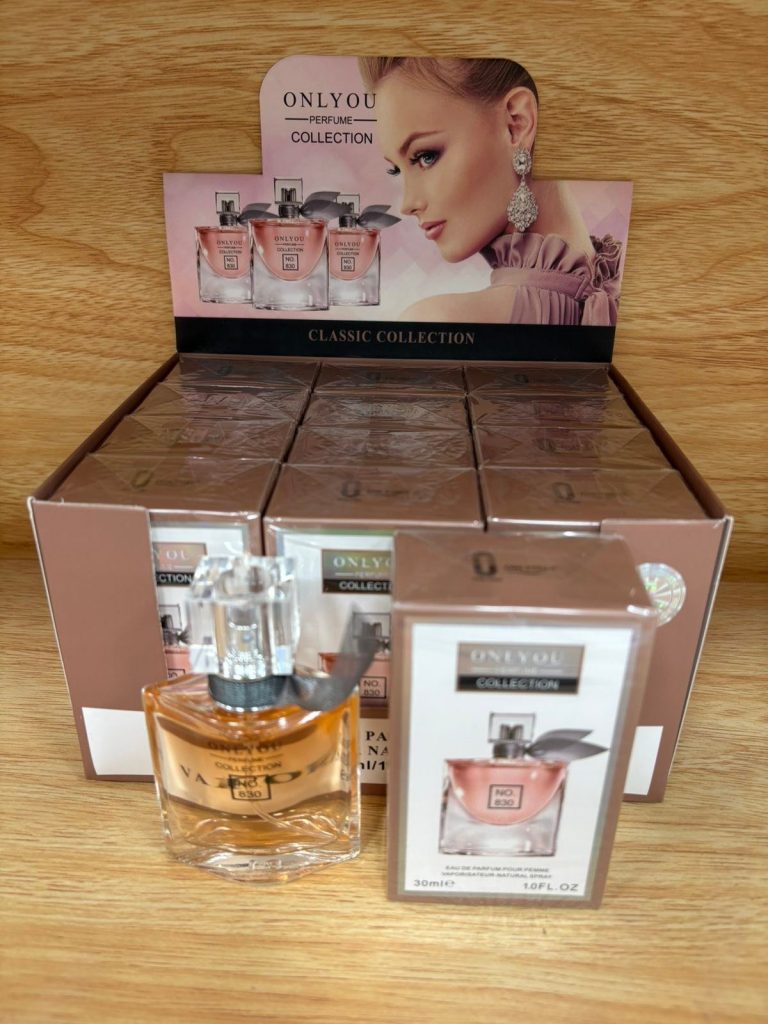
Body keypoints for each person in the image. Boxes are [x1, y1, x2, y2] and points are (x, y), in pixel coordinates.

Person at [358, 57, 621, 325]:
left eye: (426, 156)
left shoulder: (438, 322)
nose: (407, 204)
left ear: (516, 124)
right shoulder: (632, 300)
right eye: (397, 170)